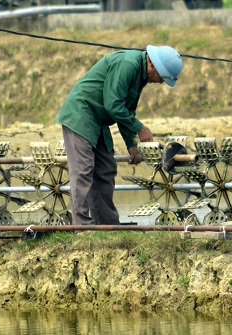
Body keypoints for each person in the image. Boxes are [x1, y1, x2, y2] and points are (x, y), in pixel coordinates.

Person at [56, 45, 183, 225]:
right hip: (81, 114)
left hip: (98, 120)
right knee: (82, 169)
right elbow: (113, 104)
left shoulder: (142, 75)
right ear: (152, 65)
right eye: (162, 78)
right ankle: (82, 226)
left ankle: (107, 225)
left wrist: (131, 145)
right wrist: (140, 128)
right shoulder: (128, 64)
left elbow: (127, 110)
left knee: (106, 168)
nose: (160, 82)